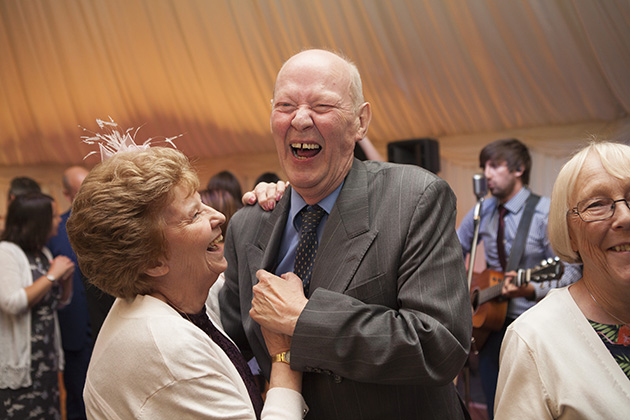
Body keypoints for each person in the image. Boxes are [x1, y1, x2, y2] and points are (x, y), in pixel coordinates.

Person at [220, 49, 472, 419]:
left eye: (322, 105)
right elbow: (233, 346)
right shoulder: (248, 224)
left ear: (360, 121)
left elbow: (439, 344)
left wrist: (304, 318)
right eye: (286, 105)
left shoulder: (414, 198)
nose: (300, 119)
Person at [66, 143, 307, 419]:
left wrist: (274, 208)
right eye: (195, 215)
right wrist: (284, 357)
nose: (218, 216)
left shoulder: (172, 294)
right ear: (154, 261)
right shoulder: (167, 350)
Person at [494, 141, 630, 418]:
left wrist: (531, 287)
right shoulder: (534, 341)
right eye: (597, 204)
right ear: (569, 235)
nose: (625, 217)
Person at [457, 138, 581, 418]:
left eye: (495, 165)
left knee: (532, 407)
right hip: (491, 327)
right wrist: (461, 289)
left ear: (519, 169)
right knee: (495, 406)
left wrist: (532, 289)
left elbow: (572, 271)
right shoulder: (481, 211)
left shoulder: (544, 212)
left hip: (537, 326)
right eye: (483, 167)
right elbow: (450, 250)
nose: (486, 174)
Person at [0, 192, 74, 419]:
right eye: (53, 216)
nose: (59, 220)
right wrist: (52, 276)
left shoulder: (41, 252)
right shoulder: (6, 252)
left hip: (46, 361)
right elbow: (11, 302)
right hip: (22, 364)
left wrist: (66, 279)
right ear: (37, 221)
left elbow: (59, 302)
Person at [47, 166, 92, 420]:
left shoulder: (108, 224)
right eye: (79, 191)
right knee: (77, 400)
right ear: (67, 194)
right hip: (73, 333)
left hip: (107, 327)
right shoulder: (54, 233)